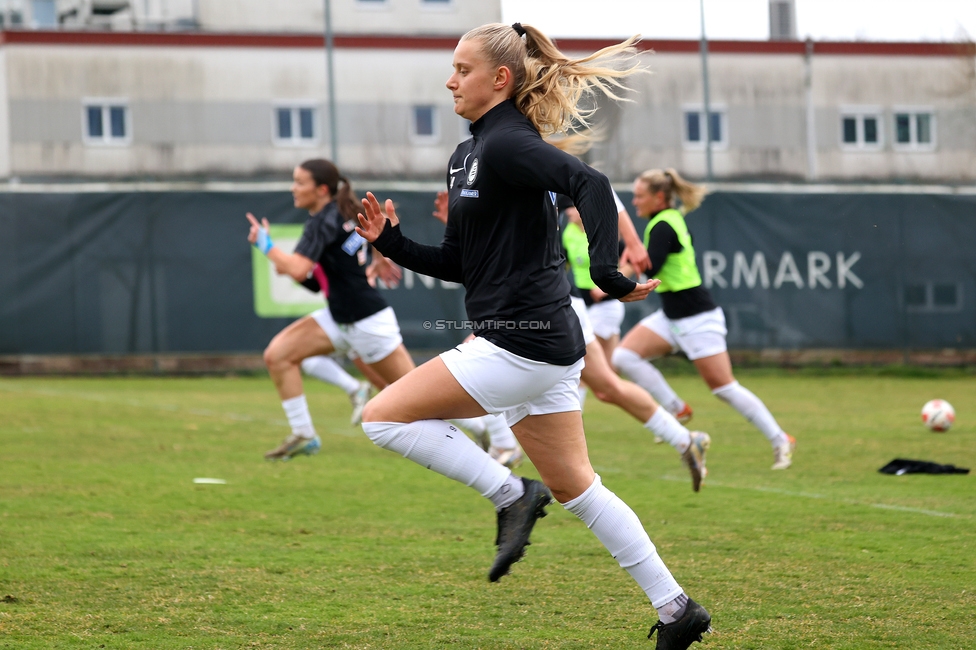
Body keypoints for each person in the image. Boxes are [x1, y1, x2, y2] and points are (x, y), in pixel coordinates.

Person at [355, 23, 710, 648]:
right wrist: (389, 242)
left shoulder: (507, 143)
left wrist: (605, 272)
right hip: (541, 344)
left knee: (382, 417)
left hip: (522, 342)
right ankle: (677, 609)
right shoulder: (469, 154)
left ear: (500, 79)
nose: (450, 80)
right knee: (579, 488)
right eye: (452, 68)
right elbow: (460, 262)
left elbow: (590, 184)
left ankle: (511, 492)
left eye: (462, 69)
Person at [611, 168, 795, 470]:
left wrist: (623, 261)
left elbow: (652, 267)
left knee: (724, 388)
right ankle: (677, 409)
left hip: (696, 317)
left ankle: (780, 439)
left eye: (640, 196)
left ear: (659, 197)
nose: (634, 202)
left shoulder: (663, 225)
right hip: (671, 314)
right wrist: (627, 253)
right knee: (624, 357)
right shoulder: (663, 221)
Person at [246, 158, 415, 460]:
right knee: (278, 355)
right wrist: (378, 255)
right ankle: (304, 434)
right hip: (341, 317)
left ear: (321, 189)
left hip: (366, 321)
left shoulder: (323, 219)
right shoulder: (338, 212)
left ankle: (493, 433)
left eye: (299, 182)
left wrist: (265, 245)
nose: (293, 188)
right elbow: (311, 273)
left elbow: (298, 270)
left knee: (419, 395)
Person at [558, 196, 710, 491]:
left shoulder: (542, 176)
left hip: (570, 305)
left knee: (600, 381)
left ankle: (504, 454)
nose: (570, 212)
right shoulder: (562, 227)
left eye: (573, 207)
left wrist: (629, 251)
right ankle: (683, 435)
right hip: (567, 304)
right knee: (601, 381)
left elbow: (604, 192)